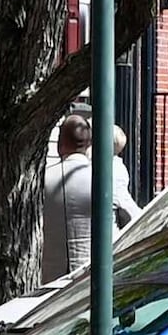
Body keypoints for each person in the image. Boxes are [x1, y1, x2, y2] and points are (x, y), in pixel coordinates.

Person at [35, 114, 125, 290]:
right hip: (96, 277)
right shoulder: (107, 179)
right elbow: (135, 218)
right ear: (89, 144)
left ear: (60, 144)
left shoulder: (41, 181)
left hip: (51, 280)